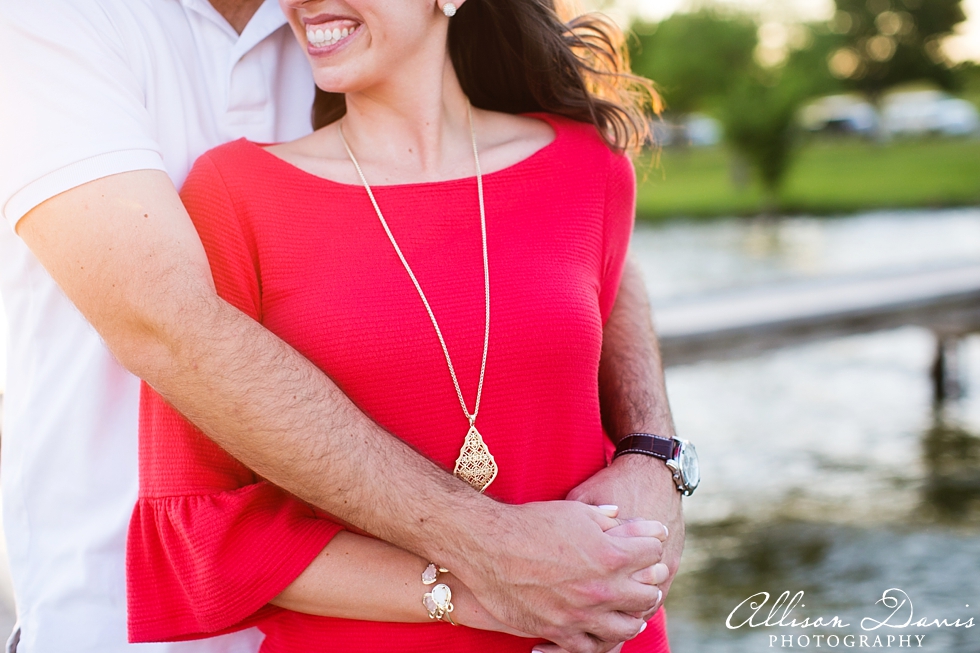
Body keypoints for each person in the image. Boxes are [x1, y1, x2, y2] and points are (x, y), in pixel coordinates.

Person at [0, 0, 683, 652]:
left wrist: (656, 455)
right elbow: (165, 329)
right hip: (116, 609)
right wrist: (490, 571)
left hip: (600, 631)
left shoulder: (586, 161)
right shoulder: (219, 175)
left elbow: (604, 295)